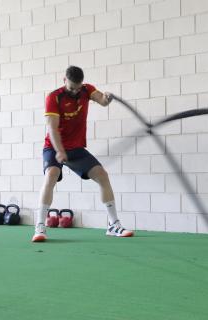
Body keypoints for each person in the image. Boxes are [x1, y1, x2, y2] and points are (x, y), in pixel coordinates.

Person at [32, 65, 133, 242]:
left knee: (102, 175)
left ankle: (113, 224)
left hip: (76, 148)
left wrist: (107, 98)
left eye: (78, 88)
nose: (75, 91)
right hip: (54, 146)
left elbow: (101, 100)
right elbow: (52, 128)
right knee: (52, 174)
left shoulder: (87, 90)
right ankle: (40, 227)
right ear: (64, 81)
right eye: (71, 88)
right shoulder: (54, 97)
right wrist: (60, 151)